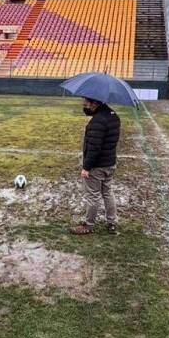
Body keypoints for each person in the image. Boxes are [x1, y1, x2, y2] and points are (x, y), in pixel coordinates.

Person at [72, 97, 121, 235]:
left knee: (92, 196)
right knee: (108, 193)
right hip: (110, 164)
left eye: (87, 103)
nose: (85, 105)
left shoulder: (98, 121)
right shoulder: (113, 116)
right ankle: (112, 222)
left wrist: (86, 167)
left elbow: (94, 147)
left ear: (95, 103)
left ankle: (89, 225)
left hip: (97, 166)